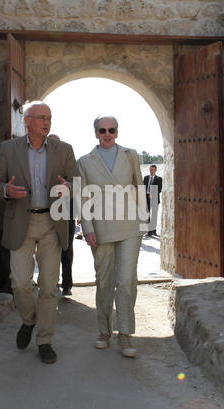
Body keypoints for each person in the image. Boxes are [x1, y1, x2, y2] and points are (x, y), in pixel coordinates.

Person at [0, 101, 78, 364]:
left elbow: (77, 180)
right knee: (20, 283)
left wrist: (68, 187)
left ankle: (45, 340)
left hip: (52, 224)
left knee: (50, 287)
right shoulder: (8, 149)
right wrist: (6, 190)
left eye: (49, 117)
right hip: (20, 222)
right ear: (27, 121)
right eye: (41, 117)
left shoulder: (64, 150)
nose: (46, 121)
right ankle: (28, 320)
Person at [77, 115, 146, 358]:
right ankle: (104, 331)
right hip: (101, 228)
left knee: (126, 280)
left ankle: (125, 333)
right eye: (102, 130)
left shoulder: (131, 155)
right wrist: (87, 229)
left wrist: (144, 222)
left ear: (117, 131)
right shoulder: (84, 161)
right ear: (95, 133)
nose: (107, 134)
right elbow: (82, 197)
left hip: (130, 227)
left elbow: (139, 187)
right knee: (104, 281)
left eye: (112, 130)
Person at [48, 134, 75, 297]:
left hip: (67, 211)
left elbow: (76, 183)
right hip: (47, 211)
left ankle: (67, 284)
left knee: (66, 247)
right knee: (48, 248)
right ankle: (51, 283)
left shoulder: (67, 161)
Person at [143, 164, 162, 237]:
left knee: (154, 215)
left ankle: (153, 231)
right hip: (146, 198)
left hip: (154, 199)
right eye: (151, 170)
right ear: (149, 170)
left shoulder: (159, 179)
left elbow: (159, 189)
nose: (152, 171)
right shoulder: (146, 178)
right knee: (147, 215)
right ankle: (149, 231)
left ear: (156, 170)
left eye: (153, 170)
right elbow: (143, 187)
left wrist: (152, 194)